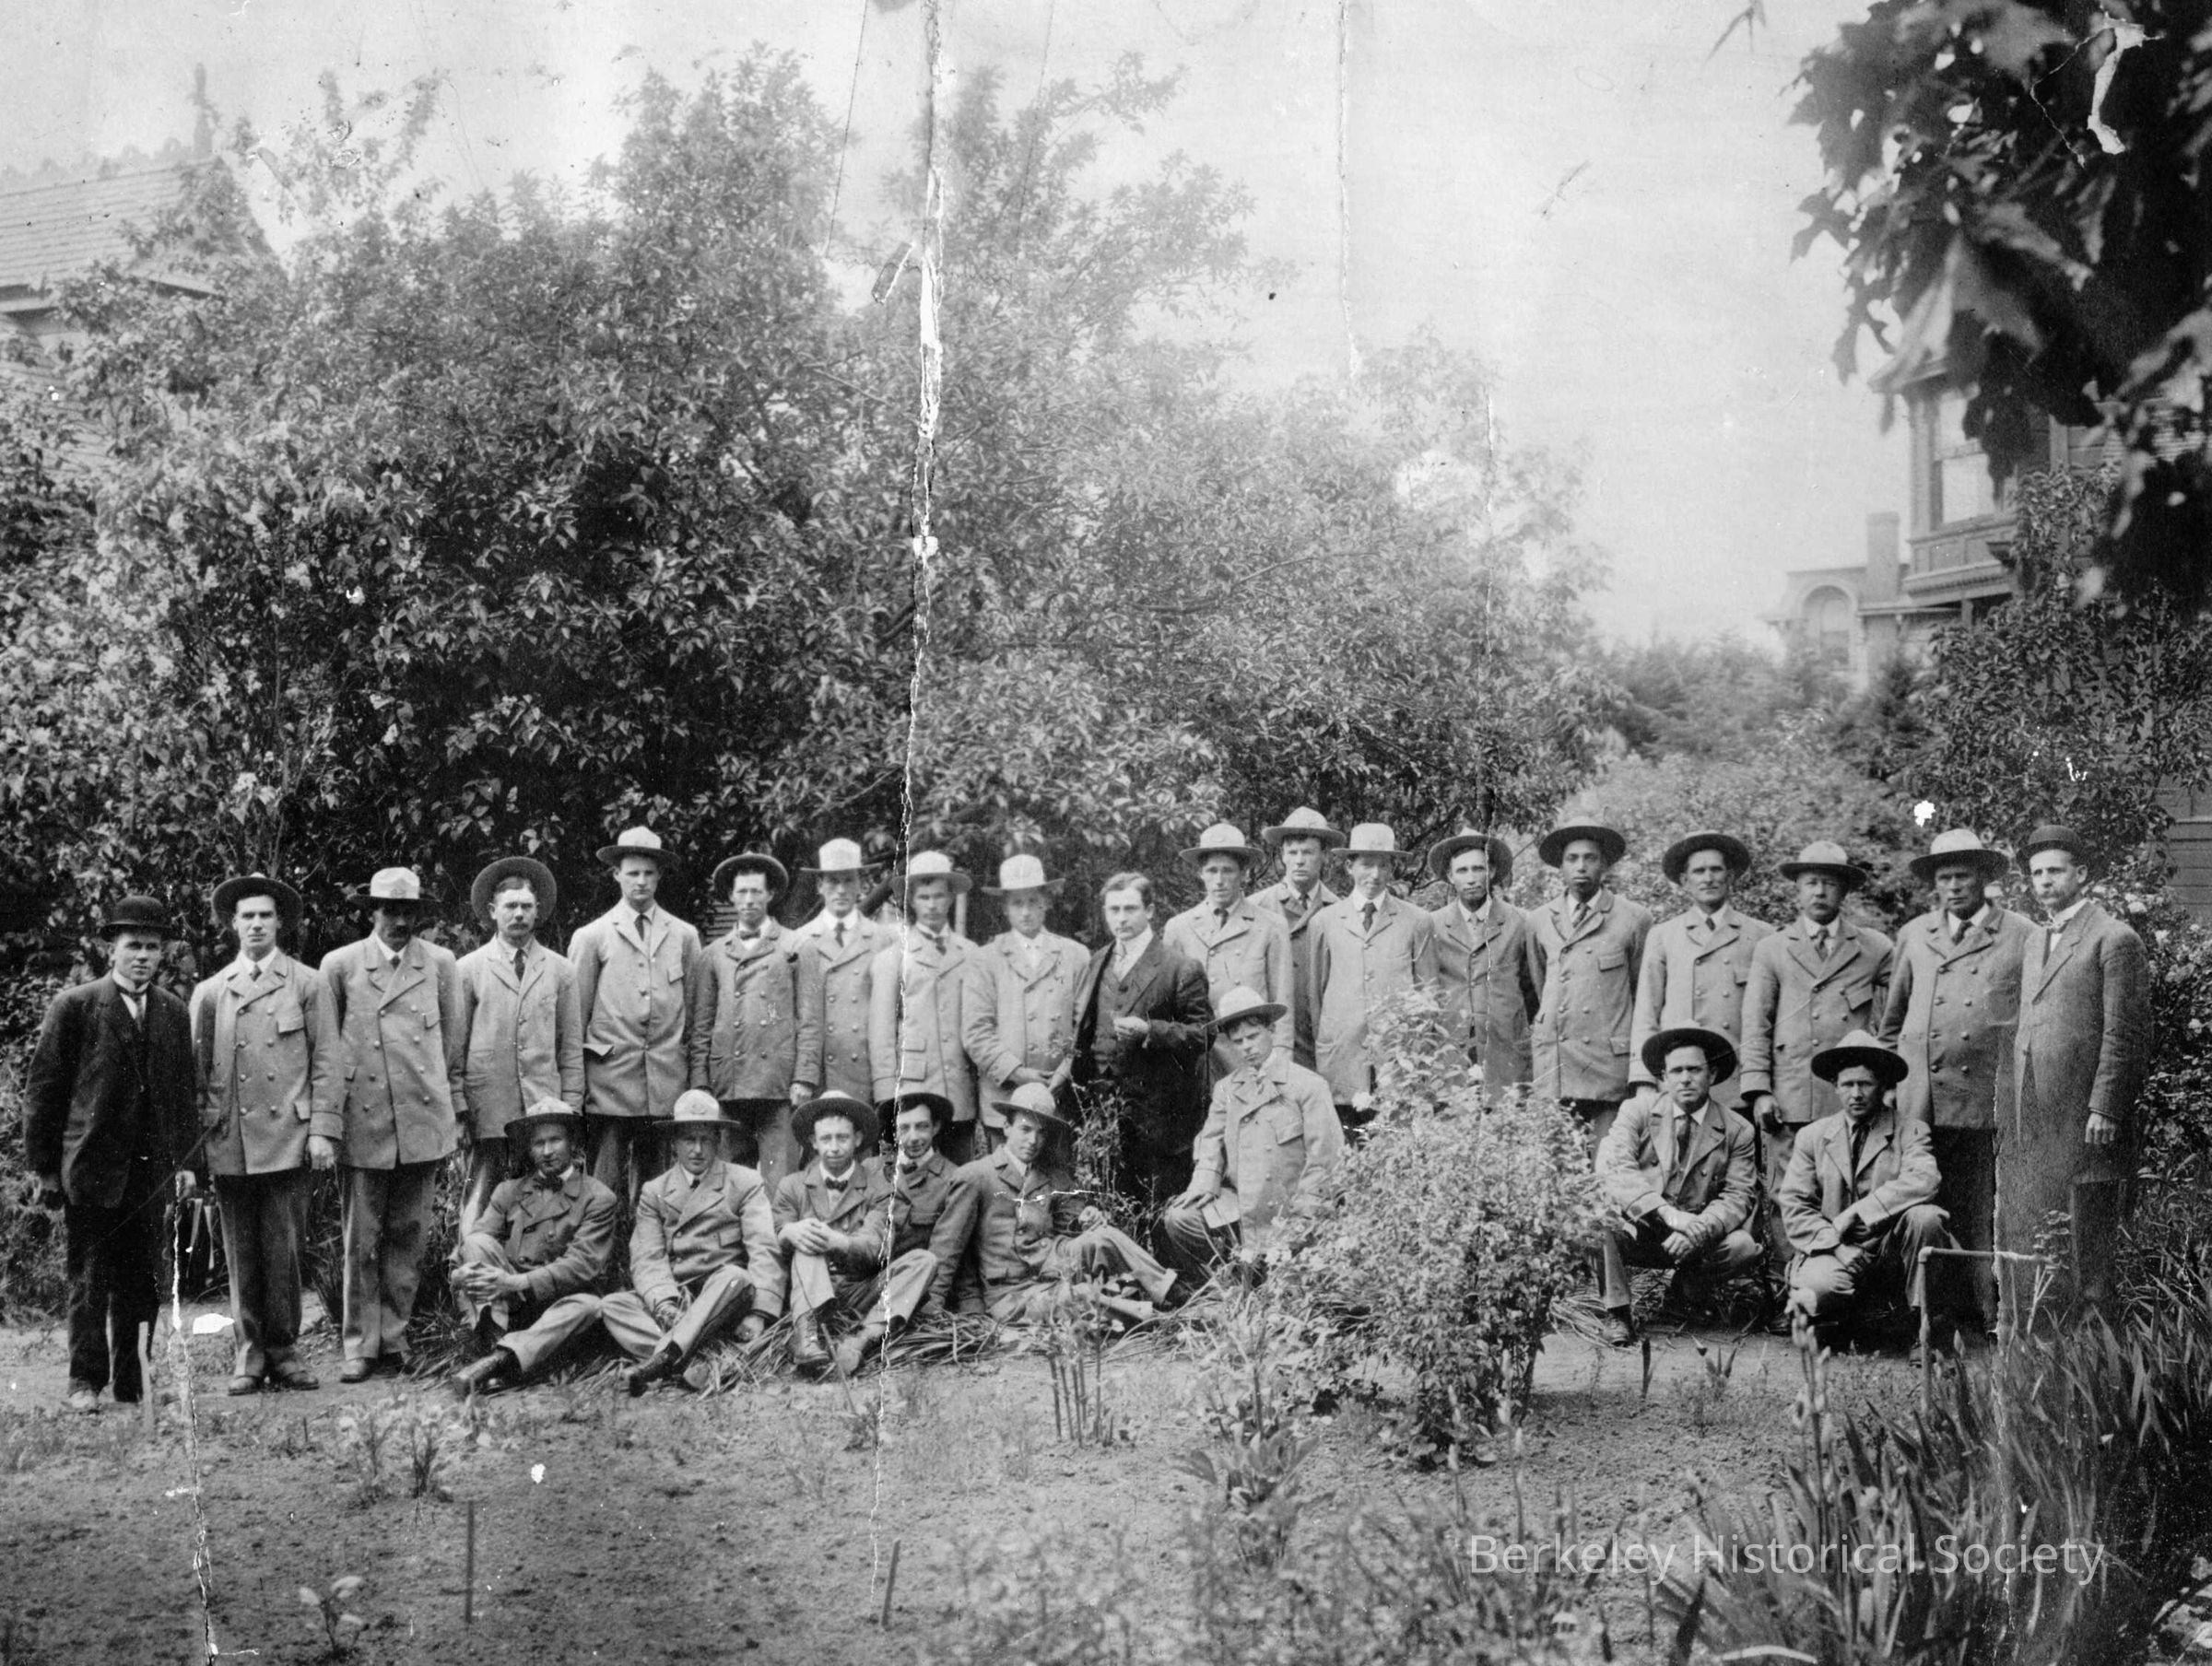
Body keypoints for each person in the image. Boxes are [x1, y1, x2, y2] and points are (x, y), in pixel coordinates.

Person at [26, 896, 201, 1414]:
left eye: (152, 947)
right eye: (133, 946)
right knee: (90, 1278)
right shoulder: (76, 1006)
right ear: (112, 949)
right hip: (91, 1167)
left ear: (162, 953)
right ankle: (85, 1381)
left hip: (150, 1172)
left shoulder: (172, 1011)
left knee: (143, 1280)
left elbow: (181, 1095)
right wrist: (45, 1170)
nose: (143, 956)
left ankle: (134, 1381)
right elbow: (45, 1092)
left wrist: (188, 1163)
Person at [191, 873, 343, 1394]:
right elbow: (197, 1075)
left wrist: (322, 1131)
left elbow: (327, 1062)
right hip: (230, 1138)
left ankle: (284, 1349)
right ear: (233, 925)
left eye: (265, 916)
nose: (256, 925)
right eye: (247, 916)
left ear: (280, 924)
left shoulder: (307, 984)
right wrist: (200, 1144)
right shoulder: (211, 992)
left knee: (284, 1249)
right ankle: (249, 1353)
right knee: (240, 1252)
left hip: (288, 1135)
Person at [1876, 829, 2033, 1326]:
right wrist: (1889, 1083)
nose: (1954, 886)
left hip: (1982, 1098)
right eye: (1944, 878)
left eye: (1963, 876)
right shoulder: (1914, 934)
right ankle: (1928, 1317)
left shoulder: (2020, 934)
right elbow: (1892, 1021)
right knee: (1923, 1206)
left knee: (1980, 1208)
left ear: (1983, 879)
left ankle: (1986, 1314)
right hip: (1920, 1099)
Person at [319, 867, 465, 1382]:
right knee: (362, 1237)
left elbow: (451, 1043)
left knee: (409, 1233)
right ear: (372, 913)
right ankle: (359, 1343)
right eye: (389, 911)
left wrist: (449, 1105)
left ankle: (395, 1335)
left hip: (421, 1116)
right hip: (365, 1117)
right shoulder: (340, 966)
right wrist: (329, 1121)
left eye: (408, 912)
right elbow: (328, 1050)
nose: (400, 921)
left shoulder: (441, 964)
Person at [2008, 824, 2150, 1310]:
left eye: (2055, 871)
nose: (2045, 881)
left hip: (2087, 1114)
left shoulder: (2114, 938)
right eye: (2037, 874)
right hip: (2038, 1106)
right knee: (2046, 1222)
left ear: (2082, 874)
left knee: (2091, 1225)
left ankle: (2098, 1335)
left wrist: (2106, 1107)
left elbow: (2126, 1033)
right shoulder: (2036, 941)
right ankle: (2050, 1325)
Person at [1739, 840, 1895, 1270]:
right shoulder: (1773, 948)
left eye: (1829, 883)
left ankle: (1842, 1286)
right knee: (1786, 1193)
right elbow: (1756, 1023)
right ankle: (1792, 1286)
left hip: (1851, 1096)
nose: (1820, 892)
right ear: (1797, 889)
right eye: (1811, 882)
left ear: (1845, 891)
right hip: (1791, 1092)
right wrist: (1759, 1090)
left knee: (1846, 1189)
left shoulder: (1874, 947)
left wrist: (1890, 1079)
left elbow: (1904, 1009)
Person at [1778, 1031, 1957, 1349]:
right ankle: (1847, 1321)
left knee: (1926, 1218)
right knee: (1819, 1287)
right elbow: (1795, 1205)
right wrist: (1837, 1246)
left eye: (1866, 1084)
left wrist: (1860, 1212)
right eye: (1848, 1084)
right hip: (1835, 1248)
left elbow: (1925, 1178)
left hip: (1892, 1251)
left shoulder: (1911, 1130)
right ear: (1835, 1086)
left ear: (1883, 1086)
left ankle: (1925, 1328)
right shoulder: (1812, 1136)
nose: (1856, 1094)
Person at [603, 1090, 784, 1395]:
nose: (697, 1150)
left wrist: (758, 1314)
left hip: (724, 1299)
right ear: (674, 1143)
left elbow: (763, 1247)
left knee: (735, 1276)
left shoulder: (744, 1182)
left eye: (706, 1140)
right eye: (689, 1140)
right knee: (613, 1305)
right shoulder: (655, 1191)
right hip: (678, 1300)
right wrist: (664, 1304)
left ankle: (664, 1357)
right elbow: (648, 1256)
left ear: (718, 1141)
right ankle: (697, 1359)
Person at [1159, 987, 1344, 1286]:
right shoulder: (1227, 1089)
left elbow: (1326, 1162)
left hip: (1287, 1210)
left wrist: (1304, 1217)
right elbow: (1210, 1140)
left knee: (1288, 1285)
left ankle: (1264, 1283)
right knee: (1181, 1218)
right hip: (1242, 1205)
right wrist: (1206, 1178)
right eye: (1238, 1041)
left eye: (1253, 1037)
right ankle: (1229, 1287)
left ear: (1271, 1031)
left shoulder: (1307, 1086)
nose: (1247, 1047)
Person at [1593, 1026, 1762, 1346]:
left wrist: (1696, 1231)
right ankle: (1618, 1312)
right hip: (1642, 1229)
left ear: (1712, 1074)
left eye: (1694, 1070)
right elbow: (1614, 1169)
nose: (1685, 1079)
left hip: (1695, 1237)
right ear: (1663, 1077)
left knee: (1742, 1246)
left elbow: (1738, 1195)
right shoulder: (1637, 1111)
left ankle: (1685, 1292)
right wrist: (1667, 1214)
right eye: (1677, 1071)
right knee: (1599, 1221)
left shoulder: (1738, 1129)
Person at [963, 1085, 1179, 1324]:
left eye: (1041, 1133)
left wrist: (1086, 1217)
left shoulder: (1051, 1175)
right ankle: (1159, 1318)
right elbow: (952, 1250)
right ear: (1006, 1127)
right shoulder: (977, 1176)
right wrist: (969, 1312)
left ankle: (1173, 1294)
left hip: (1053, 1269)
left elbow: (1071, 1221)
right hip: (1013, 1294)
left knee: (1103, 1236)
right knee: (1080, 1297)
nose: (1033, 1140)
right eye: (1025, 1129)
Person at [774, 1093, 955, 1376]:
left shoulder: (879, 1187)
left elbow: (875, 1247)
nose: (834, 1147)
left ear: (857, 1139)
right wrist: (788, 1232)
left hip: (860, 1289)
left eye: (842, 1138)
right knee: (805, 1241)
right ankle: (807, 1337)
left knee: (924, 1261)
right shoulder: (792, 1186)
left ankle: (863, 1338)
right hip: (809, 1290)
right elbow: (774, 1237)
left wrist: (837, 1241)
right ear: (813, 1142)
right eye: (826, 1139)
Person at [448, 1101, 620, 1395]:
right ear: (529, 1149)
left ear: (573, 1143)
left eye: (556, 1140)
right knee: (477, 1243)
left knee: (589, 1307)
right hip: (509, 1306)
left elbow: (582, 1265)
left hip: (558, 1303)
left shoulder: (597, 1197)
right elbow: (478, 1239)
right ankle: (494, 1340)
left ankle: (499, 1361)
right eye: (539, 1143)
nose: (547, 1151)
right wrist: (459, 1274)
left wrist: (517, 1282)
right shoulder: (508, 1191)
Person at [571, 827, 702, 1207]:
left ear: (659, 876)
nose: (641, 881)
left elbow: (694, 1012)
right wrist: (576, 1087)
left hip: (664, 1078)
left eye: (648, 873)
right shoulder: (592, 936)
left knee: (656, 1180)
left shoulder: (684, 936)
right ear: (616, 875)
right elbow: (575, 1019)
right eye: (632, 873)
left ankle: (649, 1240)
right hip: (609, 1080)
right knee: (603, 1180)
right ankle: (597, 1242)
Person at [453, 857, 582, 1234]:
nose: (519, 915)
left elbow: (570, 1048)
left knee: (543, 1201)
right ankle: (472, 1262)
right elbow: (455, 1049)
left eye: (526, 906)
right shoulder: (469, 969)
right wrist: (459, 1108)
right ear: (493, 911)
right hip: (488, 1107)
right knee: (482, 1196)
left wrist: (570, 1108)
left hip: (544, 1107)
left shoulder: (560, 970)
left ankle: (534, 1265)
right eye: (510, 906)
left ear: (538, 910)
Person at [1069, 872, 1213, 1210]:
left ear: (1149, 911)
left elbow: (1205, 1033)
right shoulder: (1098, 961)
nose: (1121, 918)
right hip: (1104, 1118)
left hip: (1160, 1123)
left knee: (1154, 1213)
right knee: (1107, 1207)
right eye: (1113, 909)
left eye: (1130, 909)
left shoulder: (1180, 967)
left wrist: (1152, 1031)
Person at [688, 851, 822, 1191]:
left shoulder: (796, 946)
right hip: (728, 1084)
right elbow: (702, 1026)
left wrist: (804, 1077)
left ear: (770, 895)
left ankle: (780, 1227)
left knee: (781, 1181)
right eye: (742, 892)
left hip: (777, 1085)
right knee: (730, 1181)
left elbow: (809, 1018)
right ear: (731, 896)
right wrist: (701, 1083)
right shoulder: (713, 954)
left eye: (756, 892)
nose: (749, 900)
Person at [1310, 823, 1440, 1133]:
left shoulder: (1416, 921)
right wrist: (1331, 1037)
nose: (1375, 874)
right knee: (1344, 1141)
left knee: (1394, 1138)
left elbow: (1428, 995)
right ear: (1349, 866)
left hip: (1396, 1056)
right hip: (1342, 1054)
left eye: (1383, 865)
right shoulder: (1325, 921)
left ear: (1392, 869)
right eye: (1367, 864)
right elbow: (1316, 993)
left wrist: (1416, 1052)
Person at [1529, 822, 1652, 1147]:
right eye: (1572, 859)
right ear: (1560, 866)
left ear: (1605, 864)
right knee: (1557, 1164)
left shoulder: (1634, 918)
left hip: (1607, 1067)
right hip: (1556, 1066)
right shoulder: (1539, 920)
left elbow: (1643, 995)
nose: (1581, 867)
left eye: (1590, 858)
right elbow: (1539, 986)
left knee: (1608, 1162)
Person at [1629, 830, 1771, 1109]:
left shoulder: (1761, 935)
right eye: (1699, 871)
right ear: (1685, 881)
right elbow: (1646, 1013)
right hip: (1678, 1083)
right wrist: (1643, 1079)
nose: (1708, 878)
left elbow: (1768, 1019)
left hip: (1736, 1084)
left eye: (1716, 870)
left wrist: (1761, 1087)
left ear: (1730, 876)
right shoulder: (1663, 935)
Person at [963, 854, 1087, 1150]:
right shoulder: (985, 959)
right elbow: (975, 1031)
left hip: (1058, 1096)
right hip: (1005, 1097)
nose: (1026, 911)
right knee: (1007, 1173)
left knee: (1056, 1173)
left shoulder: (1074, 955)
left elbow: (1086, 1026)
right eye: (1017, 903)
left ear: (1046, 902)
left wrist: (1065, 1070)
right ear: (1005, 907)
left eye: (1033, 901)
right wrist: (1016, 1072)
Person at [869, 851, 982, 1162]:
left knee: (959, 1170)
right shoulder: (893, 957)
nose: (932, 905)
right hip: (913, 1087)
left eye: (939, 896)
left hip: (958, 1087)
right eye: (924, 897)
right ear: (912, 901)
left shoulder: (971, 953)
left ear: (951, 898)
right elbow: (881, 1033)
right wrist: (886, 1095)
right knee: (911, 1172)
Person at [1161, 823, 1295, 1079]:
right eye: (1212, 871)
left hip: (1249, 1051)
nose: (1219, 880)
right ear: (1200, 873)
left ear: (1243, 873)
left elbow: (1283, 996)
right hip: (1198, 1055)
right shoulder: (1179, 927)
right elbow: (1168, 1004)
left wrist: (1281, 1052)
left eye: (1228, 870)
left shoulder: (1270, 925)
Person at [1424, 827, 1540, 1090]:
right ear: (1450, 876)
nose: (1471, 878)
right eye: (1462, 871)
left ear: (1493, 872)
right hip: (1451, 1052)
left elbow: (1532, 988)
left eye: (1478, 869)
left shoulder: (1520, 922)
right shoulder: (1432, 925)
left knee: (1506, 1112)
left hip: (1506, 1050)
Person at [789, 838, 892, 1108]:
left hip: (865, 1074)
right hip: (818, 1076)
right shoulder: (798, 941)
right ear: (819, 886)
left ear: (861, 885)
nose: (841, 890)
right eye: (833, 882)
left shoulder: (883, 940)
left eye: (848, 881)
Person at [1251, 806, 1346, 1069]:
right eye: (1292, 853)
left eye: (1308, 852)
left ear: (1324, 856)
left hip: (1320, 1036)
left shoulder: (1339, 911)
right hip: (1272, 1034)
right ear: (1282, 856)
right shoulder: (1257, 908)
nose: (1299, 860)